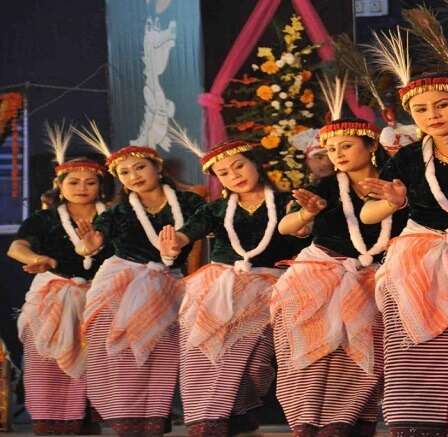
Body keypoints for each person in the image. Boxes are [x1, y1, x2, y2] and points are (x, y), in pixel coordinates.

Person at [358, 28, 448, 436]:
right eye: (420, 110)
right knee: (415, 345)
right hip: (419, 258)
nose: (432, 115)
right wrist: (393, 203)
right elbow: (368, 214)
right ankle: (413, 420)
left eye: (441, 105)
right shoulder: (410, 158)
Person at [271, 74, 406, 437]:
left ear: (370, 145)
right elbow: (286, 228)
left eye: (346, 146)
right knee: (316, 355)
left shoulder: (396, 181)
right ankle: (308, 421)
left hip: (374, 279)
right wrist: (306, 214)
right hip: (320, 276)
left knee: (362, 360)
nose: (338, 155)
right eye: (332, 150)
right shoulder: (328, 187)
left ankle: (346, 421)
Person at [159, 129, 309, 437]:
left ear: (255, 163)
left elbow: (302, 230)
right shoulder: (216, 209)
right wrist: (174, 245)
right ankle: (207, 419)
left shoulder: (286, 202)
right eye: (223, 173)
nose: (234, 175)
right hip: (220, 288)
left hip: (274, 287)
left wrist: (307, 217)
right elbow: (188, 233)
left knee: (255, 363)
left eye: (239, 166)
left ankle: (240, 414)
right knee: (207, 352)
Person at [73, 123, 205, 436]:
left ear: (157, 168)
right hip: (120, 284)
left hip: (167, 284)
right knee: (120, 354)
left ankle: (152, 419)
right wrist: (87, 245)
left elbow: (203, 230)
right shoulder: (117, 212)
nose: (134, 176)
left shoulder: (189, 204)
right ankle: (125, 420)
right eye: (125, 173)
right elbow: (92, 242)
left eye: (140, 167)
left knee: (161, 355)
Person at [7, 123, 110, 435]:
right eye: (74, 181)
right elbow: (17, 247)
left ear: (100, 186)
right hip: (54, 295)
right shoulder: (44, 218)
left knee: (99, 360)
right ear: (60, 185)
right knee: (46, 360)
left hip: (101, 297)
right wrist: (36, 259)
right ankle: (51, 420)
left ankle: (90, 419)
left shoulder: (115, 216)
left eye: (90, 182)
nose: (82, 187)